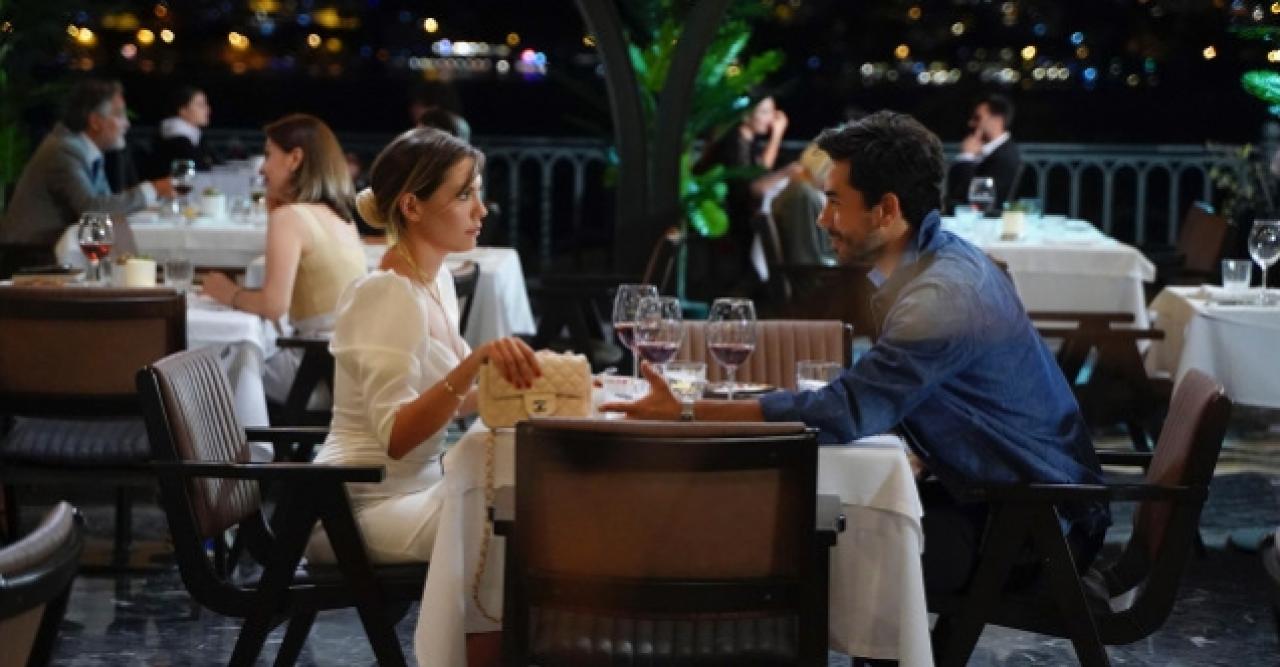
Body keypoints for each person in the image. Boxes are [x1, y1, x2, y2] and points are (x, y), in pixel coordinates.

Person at [606, 111, 1110, 597]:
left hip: (1033, 529)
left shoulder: (942, 296)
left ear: (886, 210)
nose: (822, 218)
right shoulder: (939, 263)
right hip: (999, 497)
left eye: (834, 202)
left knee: (794, 549)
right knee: (810, 518)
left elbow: (845, 411)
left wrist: (687, 412)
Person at [303, 127, 540, 665]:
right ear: (412, 206)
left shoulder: (436, 283)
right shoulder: (386, 293)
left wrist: (536, 390)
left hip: (419, 488)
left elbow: (453, 399)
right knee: (505, 528)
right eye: (464, 195)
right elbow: (396, 435)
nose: (481, 210)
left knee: (524, 508)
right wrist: (475, 364)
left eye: (478, 193)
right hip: (357, 507)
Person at [199, 114, 367, 406]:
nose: (262, 168)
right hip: (349, 374)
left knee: (207, 371)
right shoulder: (342, 217)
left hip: (313, 374)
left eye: (268, 155)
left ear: (295, 159)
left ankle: (225, 439)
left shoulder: (291, 218)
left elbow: (273, 305)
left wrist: (227, 292)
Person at [0, 78, 174, 276]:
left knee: (127, 272)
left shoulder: (84, 150)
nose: (127, 124)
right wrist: (153, 189)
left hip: (51, 251)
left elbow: (105, 203)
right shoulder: (64, 150)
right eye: (119, 114)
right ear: (95, 122)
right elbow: (92, 210)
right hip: (31, 257)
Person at [690, 95, 793, 299]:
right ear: (746, 115)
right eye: (765, 112)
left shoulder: (747, 141)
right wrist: (777, 136)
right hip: (727, 226)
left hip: (738, 223)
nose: (771, 118)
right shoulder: (733, 142)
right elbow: (754, 183)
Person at [947, 93, 1022, 210]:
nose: (971, 123)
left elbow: (979, 198)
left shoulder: (1005, 156)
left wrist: (967, 157)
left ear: (997, 120)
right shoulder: (991, 151)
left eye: (977, 118)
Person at [770, 142, 836, 266]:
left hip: (830, 270)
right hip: (822, 273)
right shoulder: (803, 195)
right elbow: (806, 258)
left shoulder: (804, 191)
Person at [148, 85, 218, 177]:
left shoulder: (194, 136)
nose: (208, 110)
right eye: (201, 105)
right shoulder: (177, 140)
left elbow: (214, 161)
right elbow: (197, 169)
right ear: (183, 110)